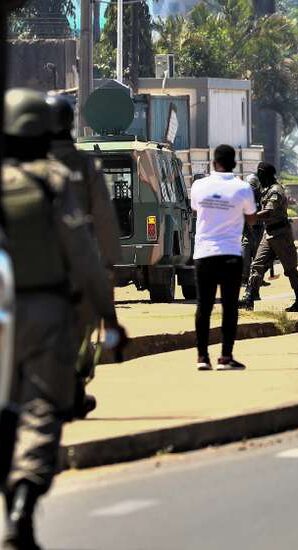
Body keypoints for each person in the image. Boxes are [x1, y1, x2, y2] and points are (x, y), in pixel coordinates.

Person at [2, 88, 124, 549]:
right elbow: (89, 248)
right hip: (51, 305)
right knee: (39, 411)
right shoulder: (57, 178)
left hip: (7, 310)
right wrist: (108, 308)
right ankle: (21, 504)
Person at [46, 93, 123, 420]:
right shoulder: (84, 166)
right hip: (79, 269)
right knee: (82, 333)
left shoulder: (25, 166)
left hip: (33, 270)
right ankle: (74, 390)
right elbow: (105, 222)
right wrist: (108, 267)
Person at [189, 145, 257, 371]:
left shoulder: (199, 186)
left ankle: (202, 357)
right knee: (229, 307)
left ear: (213, 162)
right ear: (234, 163)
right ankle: (226, 357)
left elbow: (196, 209)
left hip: (204, 254)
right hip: (230, 253)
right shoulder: (243, 188)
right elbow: (251, 218)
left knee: (204, 306)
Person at [242, 162, 298, 312]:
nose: (259, 178)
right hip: (269, 233)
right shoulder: (265, 190)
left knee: (290, 269)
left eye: (260, 175)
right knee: (257, 265)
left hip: (281, 234)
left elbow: (268, 212)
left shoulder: (276, 191)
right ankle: (249, 299)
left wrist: (250, 217)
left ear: (264, 174)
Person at [241, 173, 264, 287]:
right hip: (247, 231)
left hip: (259, 230)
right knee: (245, 253)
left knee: (259, 257)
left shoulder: (262, 197)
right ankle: (244, 278)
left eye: (253, 186)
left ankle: (258, 279)